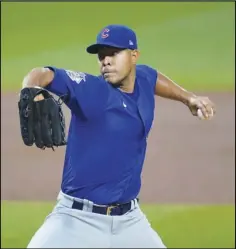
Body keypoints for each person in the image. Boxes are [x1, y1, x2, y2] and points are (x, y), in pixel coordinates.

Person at [23, 24, 215, 248]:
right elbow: (44, 74)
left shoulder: (142, 79)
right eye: (101, 56)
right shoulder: (92, 90)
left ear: (134, 56)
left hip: (130, 221)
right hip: (76, 219)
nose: (106, 61)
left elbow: (152, 77)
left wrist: (188, 98)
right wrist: (31, 90)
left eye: (113, 53)